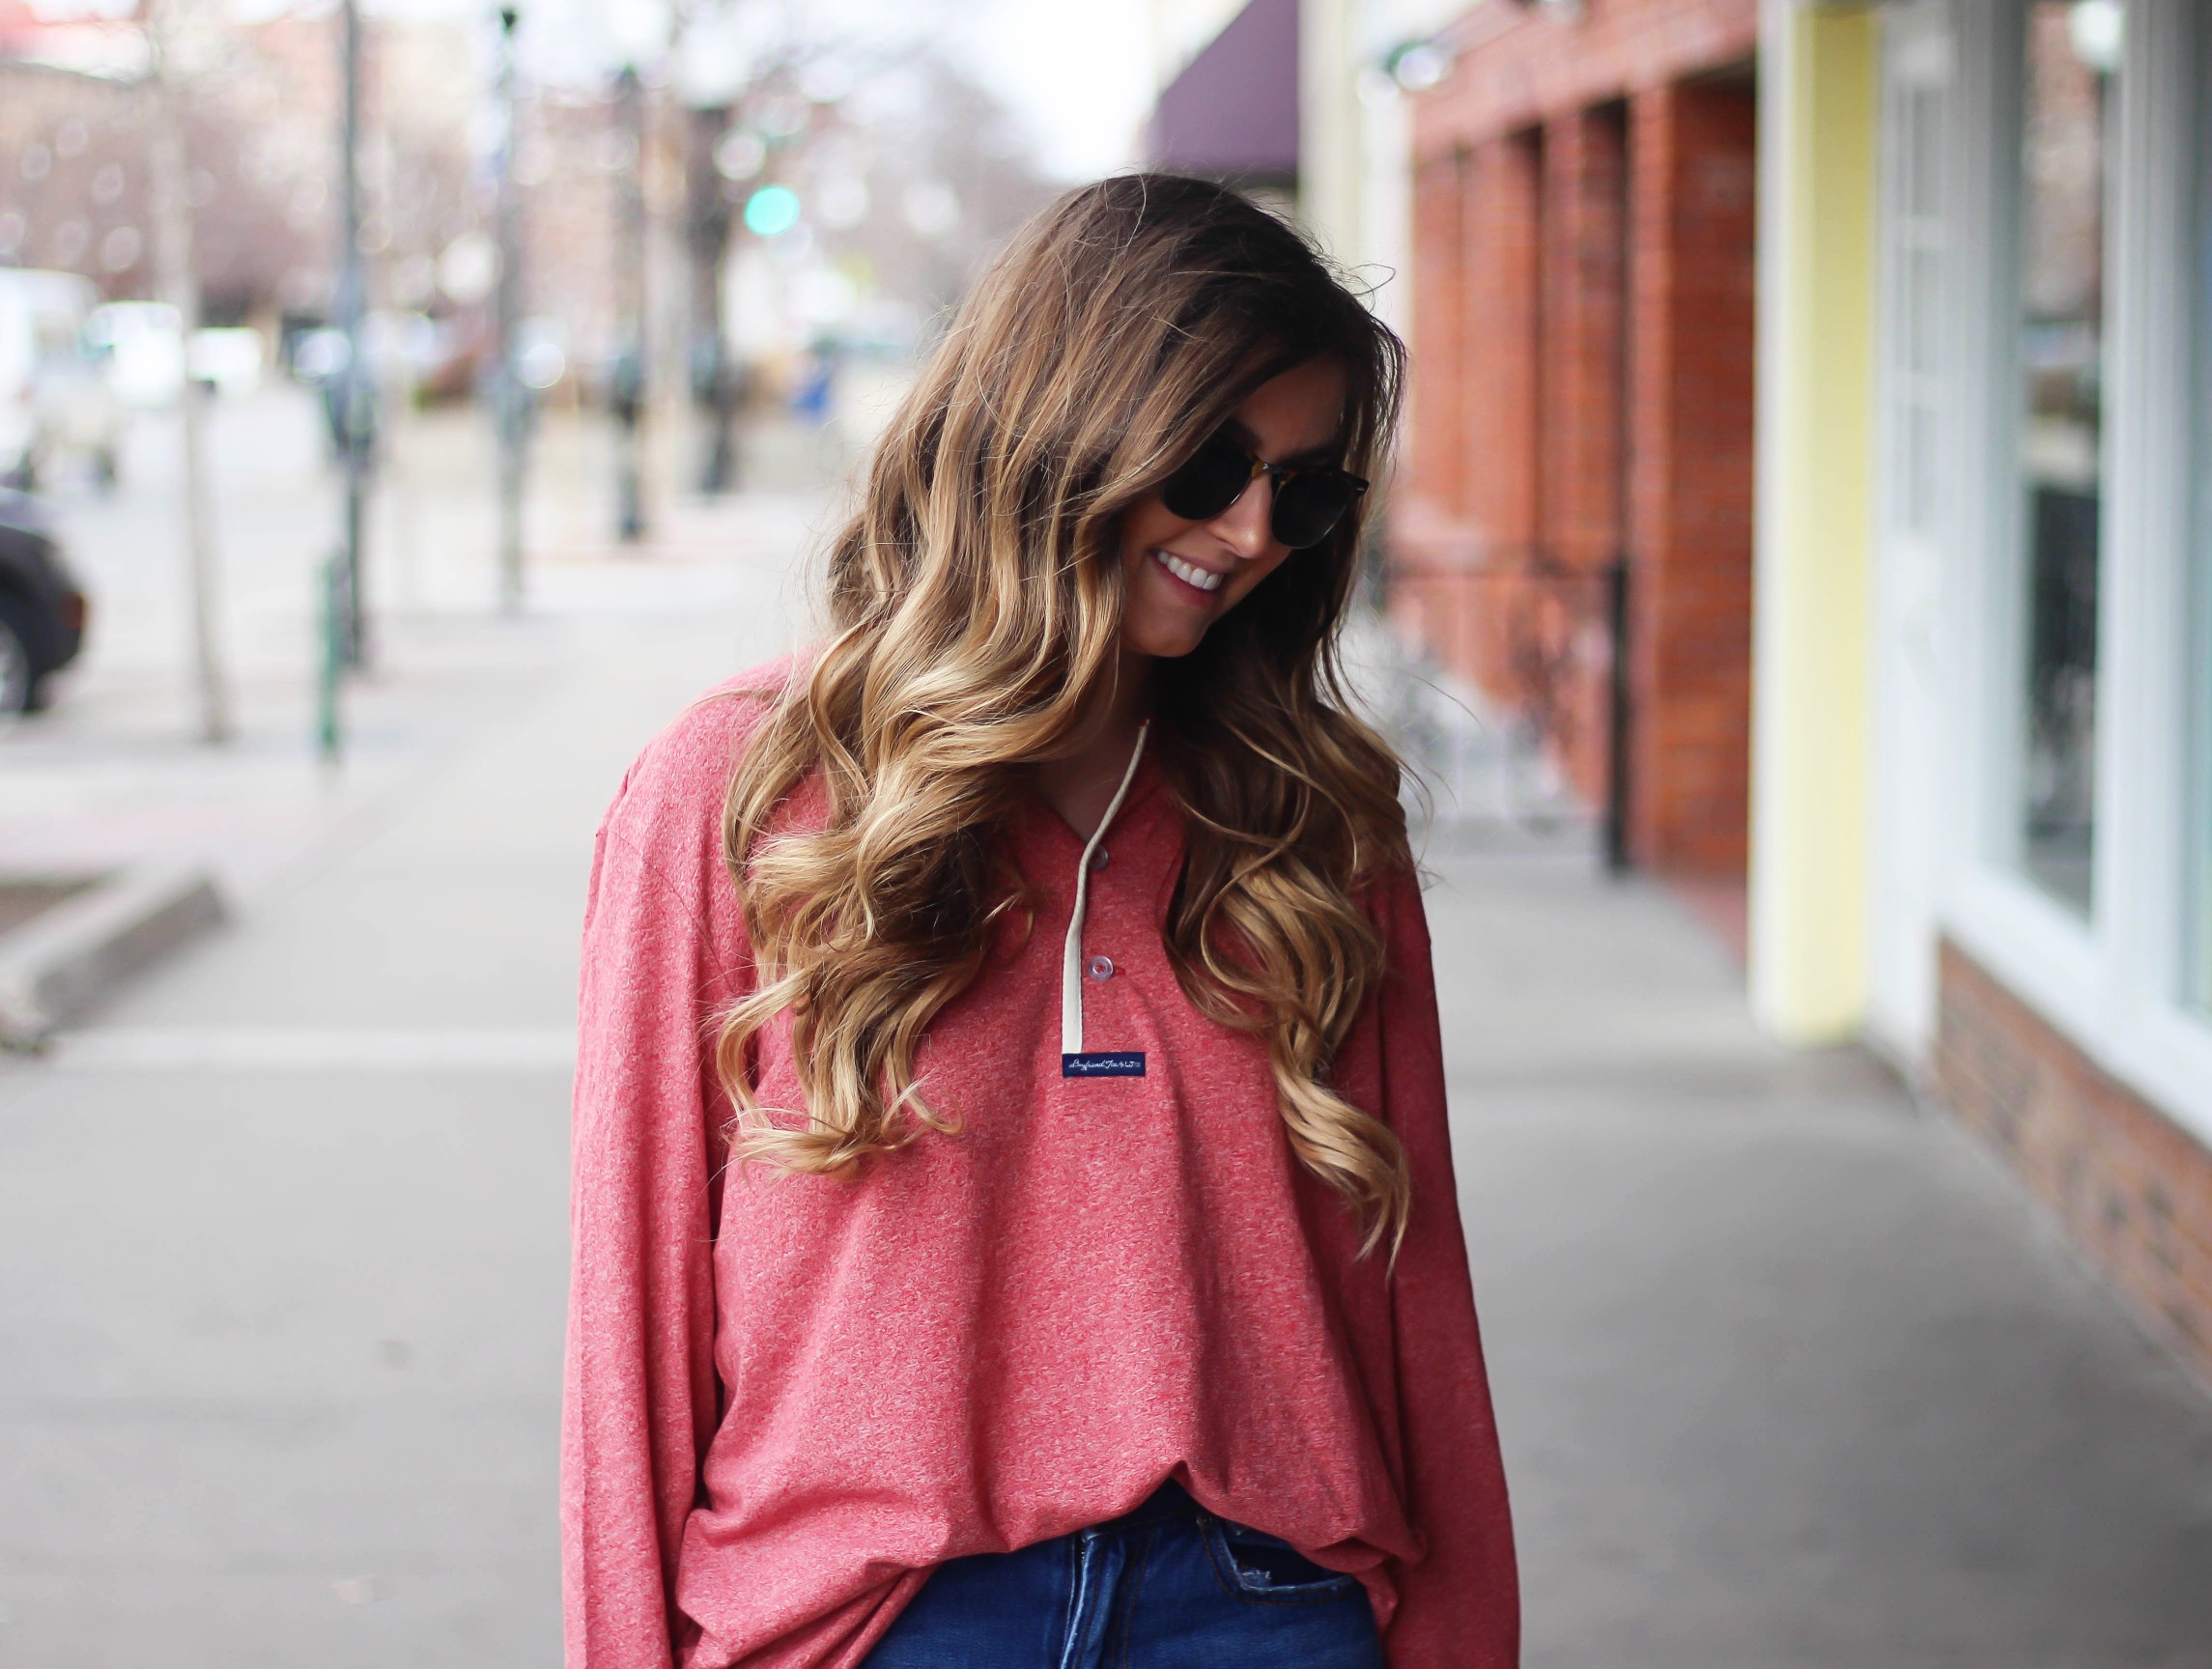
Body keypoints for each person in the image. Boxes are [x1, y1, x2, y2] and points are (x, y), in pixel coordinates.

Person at [563, 174, 1518, 1669]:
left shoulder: (1310, 818)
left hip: (1263, 1610)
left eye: (1310, 486)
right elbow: (634, 1316)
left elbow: (1414, 1291)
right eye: (1210, 463)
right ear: (1065, 430)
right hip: (874, 1620)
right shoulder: (742, 793)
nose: (1258, 526)